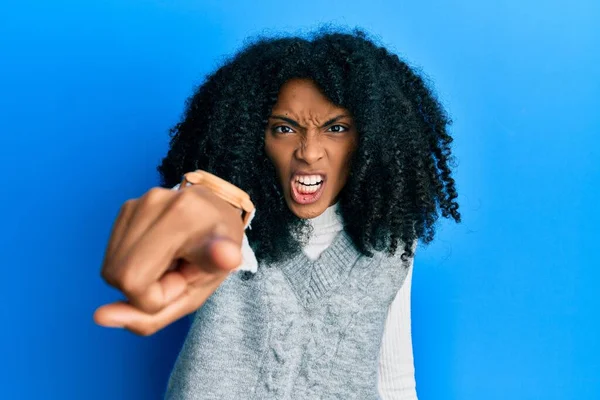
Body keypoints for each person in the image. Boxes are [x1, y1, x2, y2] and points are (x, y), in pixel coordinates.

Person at [94, 28, 461, 399]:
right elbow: (201, 210)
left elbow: (394, 378)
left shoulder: (391, 239)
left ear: (368, 139)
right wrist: (198, 210)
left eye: (336, 128)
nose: (309, 151)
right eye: (284, 128)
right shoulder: (231, 226)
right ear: (253, 137)